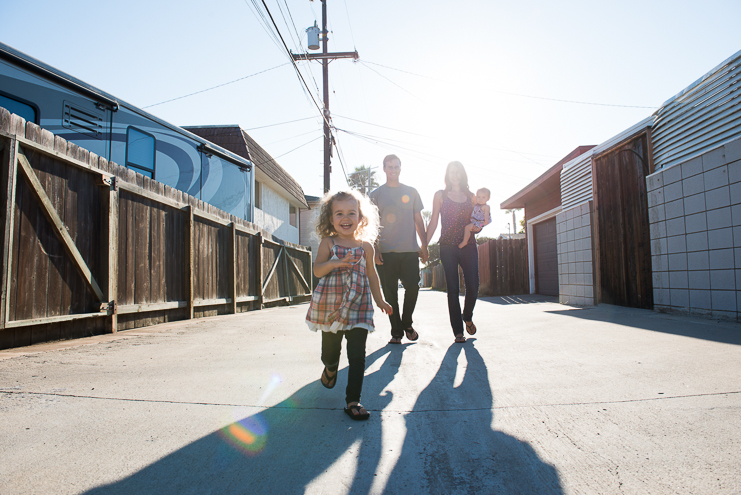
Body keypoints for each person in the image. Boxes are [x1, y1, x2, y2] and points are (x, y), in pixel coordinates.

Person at [305, 190, 392, 421]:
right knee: (330, 353)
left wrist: (380, 299)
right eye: (339, 213)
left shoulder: (366, 247)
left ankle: (353, 400)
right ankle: (330, 368)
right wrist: (333, 262)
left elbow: (372, 275)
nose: (346, 217)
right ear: (331, 218)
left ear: (360, 217)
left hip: (359, 307)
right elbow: (317, 270)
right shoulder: (329, 243)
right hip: (330, 307)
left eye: (351, 213)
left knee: (358, 356)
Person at [370, 154, 429, 345]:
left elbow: (419, 220)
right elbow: (370, 224)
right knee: (390, 294)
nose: (393, 170)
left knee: (413, 286)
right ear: (384, 169)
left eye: (396, 166)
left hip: (410, 251)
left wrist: (425, 245)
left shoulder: (411, 192)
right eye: (389, 167)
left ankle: (407, 323)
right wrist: (375, 249)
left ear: (400, 168)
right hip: (385, 252)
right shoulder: (376, 195)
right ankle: (396, 332)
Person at [426, 161, 480, 343]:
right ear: (447, 175)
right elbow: (433, 221)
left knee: (473, 286)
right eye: (451, 172)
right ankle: (458, 331)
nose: (454, 175)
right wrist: (424, 244)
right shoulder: (440, 195)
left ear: (462, 174)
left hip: (468, 245)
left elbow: (478, 220)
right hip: (447, 246)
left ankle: (467, 316)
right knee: (453, 289)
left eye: (458, 172)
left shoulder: (472, 197)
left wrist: (479, 227)